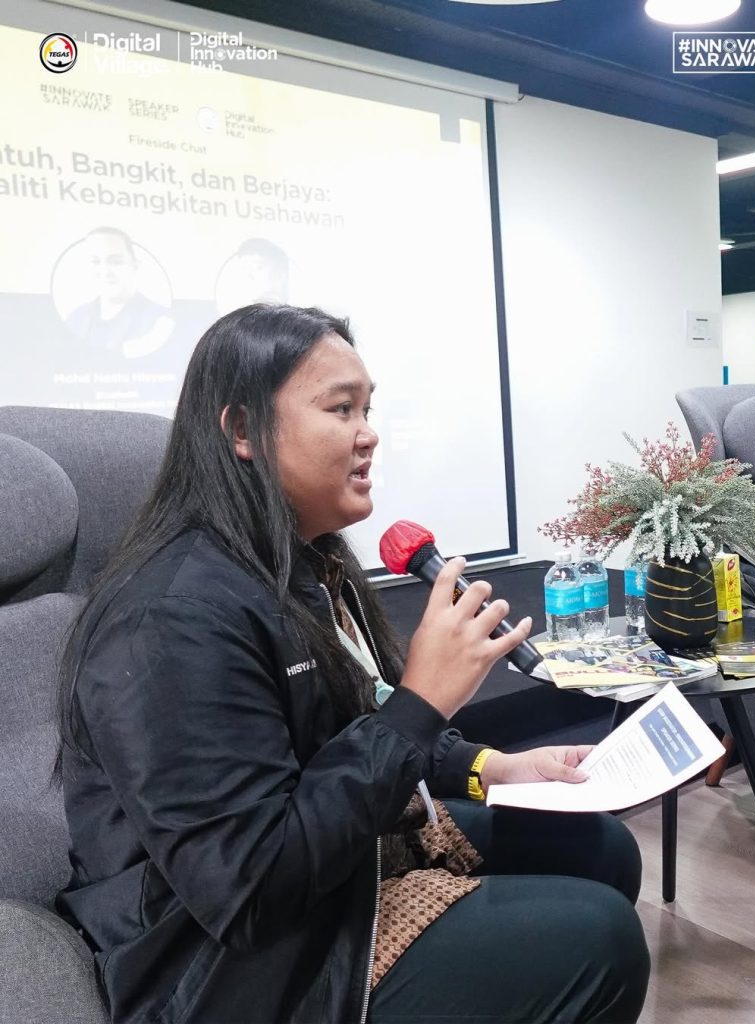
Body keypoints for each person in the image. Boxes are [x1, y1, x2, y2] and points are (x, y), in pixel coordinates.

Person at [55, 304, 650, 1024]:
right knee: (599, 940)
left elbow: (357, 720)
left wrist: (489, 767)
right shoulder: (170, 619)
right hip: (215, 962)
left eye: (368, 409)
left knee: (598, 847)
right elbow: (250, 888)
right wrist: (421, 704)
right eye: (341, 409)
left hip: (331, 863)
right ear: (242, 430)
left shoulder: (306, 565)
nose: (368, 434)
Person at [65, 226, 174, 358]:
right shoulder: (76, 318)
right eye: (95, 261)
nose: (105, 271)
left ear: (135, 265)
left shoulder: (159, 320)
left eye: (115, 262)